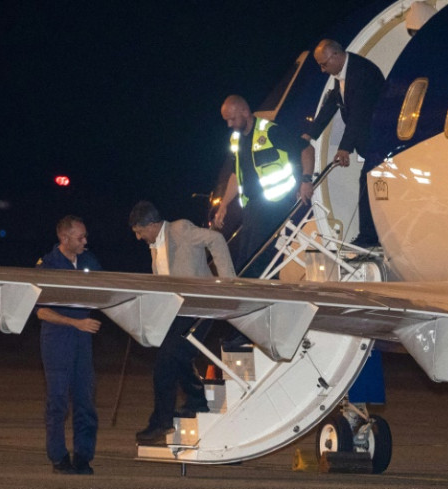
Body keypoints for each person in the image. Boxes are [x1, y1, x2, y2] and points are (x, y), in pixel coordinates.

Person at [129, 200, 236, 444]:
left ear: (153, 225)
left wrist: (228, 283)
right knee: (175, 357)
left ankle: (162, 421)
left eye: (139, 231)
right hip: (179, 312)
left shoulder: (180, 229)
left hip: (200, 307)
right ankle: (197, 399)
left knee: (167, 359)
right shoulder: (155, 246)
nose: (138, 237)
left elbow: (216, 240)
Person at [215, 94, 315, 277]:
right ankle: (255, 296)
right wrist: (224, 205)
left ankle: (260, 297)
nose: (229, 125)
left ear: (245, 112)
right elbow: (236, 175)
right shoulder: (236, 140)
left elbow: (307, 149)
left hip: (276, 203)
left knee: (257, 257)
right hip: (252, 206)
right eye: (226, 120)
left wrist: (306, 180)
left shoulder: (270, 131)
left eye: (232, 119)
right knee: (244, 258)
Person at [35, 215, 103, 475]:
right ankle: (58, 457)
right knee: (58, 402)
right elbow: (40, 311)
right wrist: (76, 323)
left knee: (86, 402)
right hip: (57, 342)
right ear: (64, 238)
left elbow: (106, 291)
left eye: (85, 236)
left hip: (83, 342)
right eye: (80, 237)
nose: (85, 241)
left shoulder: (89, 261)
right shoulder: (48, 265)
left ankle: (83, 456)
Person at [302, 39, 385, 248]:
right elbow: (332, 104)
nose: (322, 70)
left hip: (380, 139)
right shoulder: (342, 73)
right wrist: (309, 135)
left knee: (366, 182)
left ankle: (369, 237)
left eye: (323, 64)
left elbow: (359, 114)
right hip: (369, 141)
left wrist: (344, 148)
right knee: (368, 182)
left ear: (336, 56)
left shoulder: (362, 73)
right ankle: (370, 235)